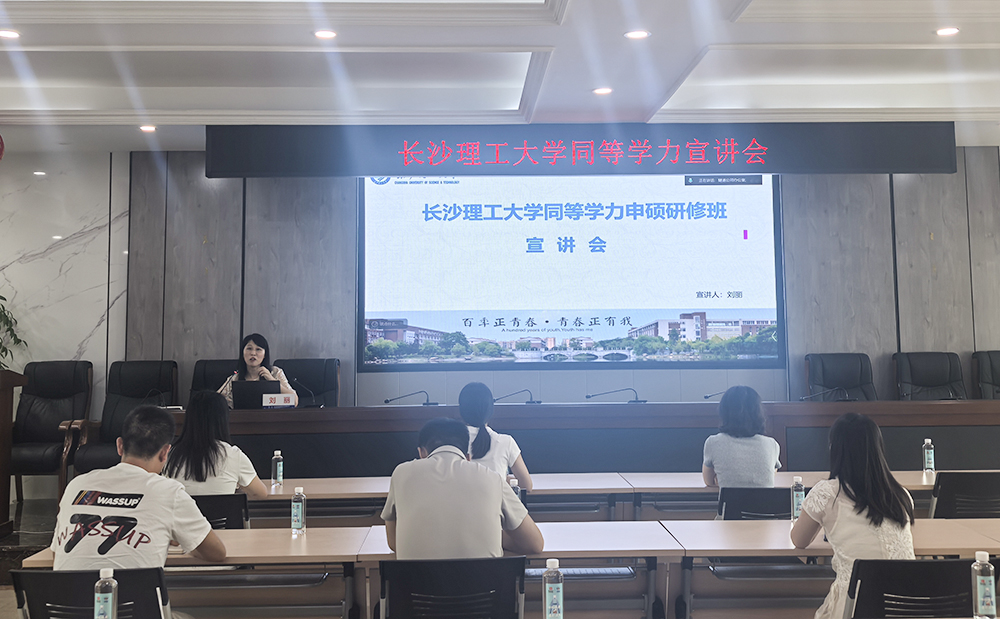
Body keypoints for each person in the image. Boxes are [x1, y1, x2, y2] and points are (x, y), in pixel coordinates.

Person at [51, 405, 227, 570]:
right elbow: (217, 553)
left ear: (120, 446)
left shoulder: (76, 486)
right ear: (165, 452)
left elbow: (56, 554)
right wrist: (185, 543)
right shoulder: (169, 492)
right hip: (136, 594)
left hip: (66, 593)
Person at [791, 413, 915, 619]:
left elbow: (799, 540)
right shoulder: (901, 495)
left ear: (834, 449)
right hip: (909, 607)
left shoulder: (827, 493)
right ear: (878, 450)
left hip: (856, 607)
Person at [381, 417, 544, 560]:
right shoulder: (493, 479)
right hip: (484, 585)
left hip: (415, 586)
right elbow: (535, 544)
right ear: (468, 457)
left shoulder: (401, 474)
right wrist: (489, 535)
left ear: (421, 452)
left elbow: (394, 542)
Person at [163, 390, 268, 499]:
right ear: (223, 420)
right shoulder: (233, 454)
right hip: (223, 511)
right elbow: (260, 494)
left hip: (181, 511)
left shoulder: (171, 455)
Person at [458, 382, 533, 491]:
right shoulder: (506, 442)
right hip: (497, 502)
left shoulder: (452, 442)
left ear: (461, 411)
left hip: (460, 502)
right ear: (490, 411)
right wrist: (502, 478)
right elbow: (526, 486)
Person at [702, 385, 781, 487]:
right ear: (758, 413)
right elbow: (769, 475)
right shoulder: (771, 444)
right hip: (765, 498)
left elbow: (709, 482)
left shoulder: (713, 443)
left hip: (729, 498)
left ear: (724, 412)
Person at [218, 333, 298, 408]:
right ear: (242, 353)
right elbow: (215, 400)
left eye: (258, 349)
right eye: (249, 348)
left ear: (264, 355)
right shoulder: (235, 378)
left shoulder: (275, 372)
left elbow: (294, 401)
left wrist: (272, 381)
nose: (253, 353)